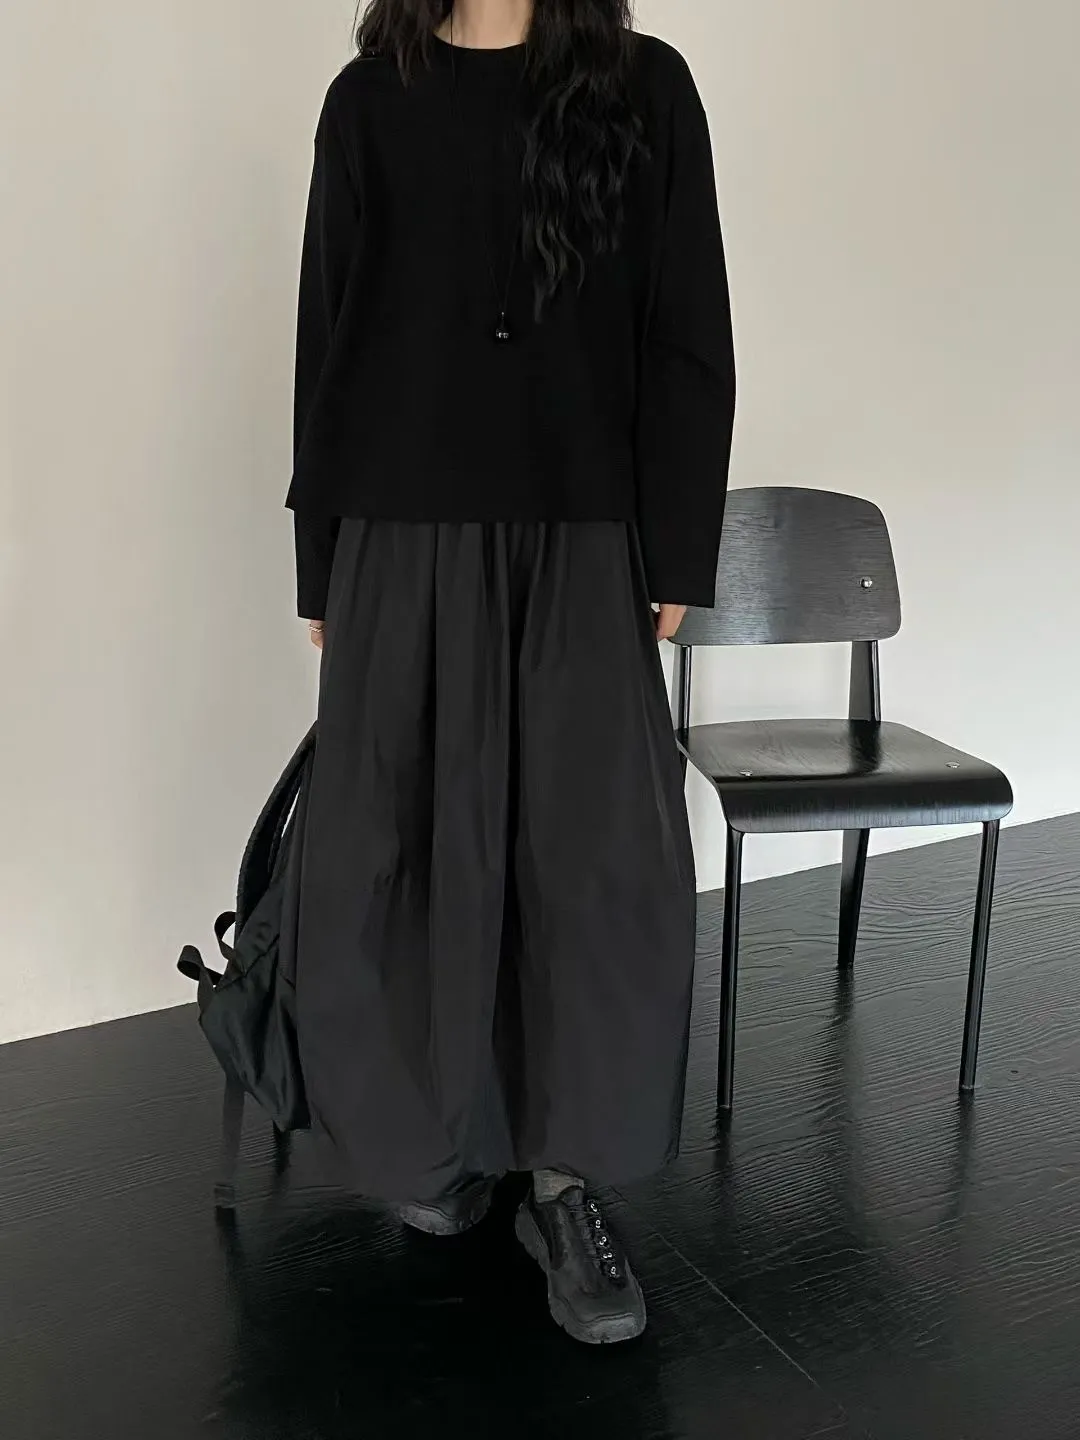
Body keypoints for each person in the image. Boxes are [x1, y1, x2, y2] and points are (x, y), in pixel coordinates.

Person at [287, 0, 735, 1346]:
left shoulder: (644, 87)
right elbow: (326, 336)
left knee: (590, 864)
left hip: (585, 535)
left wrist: (676, 545)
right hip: (400, 535)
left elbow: (688, 326)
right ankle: (438, 1141)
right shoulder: (369, 99)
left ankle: (565, 1174)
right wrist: (320, 564)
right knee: (407, 850)